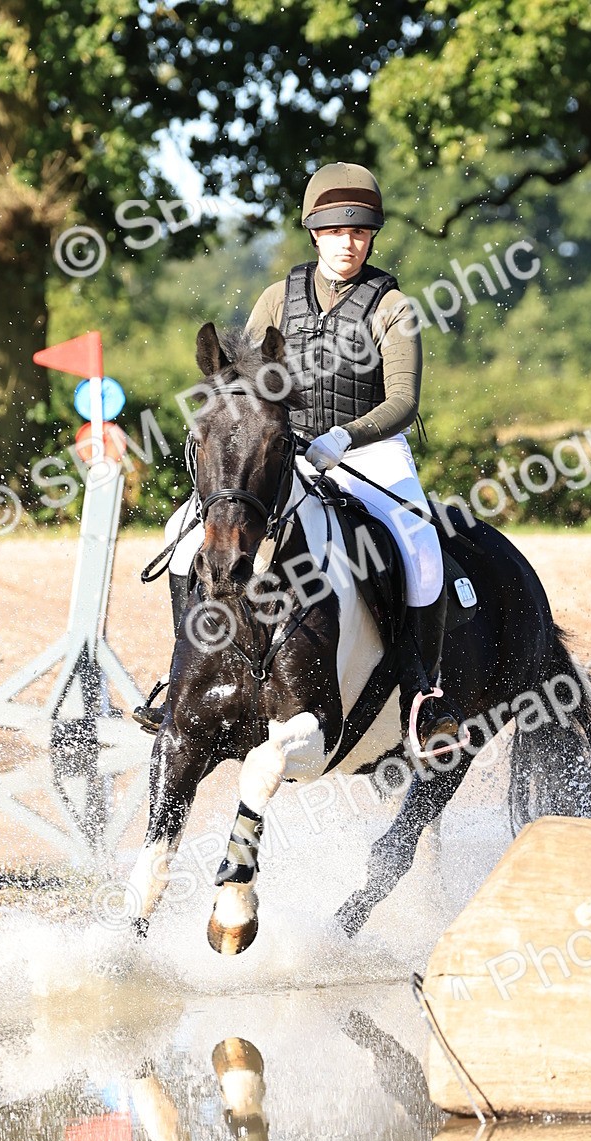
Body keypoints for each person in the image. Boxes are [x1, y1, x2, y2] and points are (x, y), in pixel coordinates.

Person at [135, 162, 458, 752]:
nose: (349, 243)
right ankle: (182, 677)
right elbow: (243, 380)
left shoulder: (394, 306)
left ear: (371, 237)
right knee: (182, 531)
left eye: (360, 233)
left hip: (371, 450)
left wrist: (345, 439)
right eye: (337, 232)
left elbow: (404, 400)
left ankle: (422, 694)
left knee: (423, 544)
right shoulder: (277, 297)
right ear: (316, 233)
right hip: (284, 450)